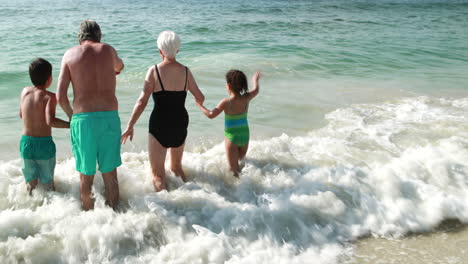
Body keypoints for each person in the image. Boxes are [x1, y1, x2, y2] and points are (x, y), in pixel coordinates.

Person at [121, 30, 205, 191]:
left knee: (158, 175)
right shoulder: (186, 71)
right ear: (178, 50)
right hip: (180, 122)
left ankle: (167, 208)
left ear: (160, 51)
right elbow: (200, 97)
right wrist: (198, 102)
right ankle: (190, 200)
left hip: (160, 124)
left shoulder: (154, 71)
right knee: (177, 168)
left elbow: (142, 101)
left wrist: (130, 125)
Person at [56, 20, 124, 210]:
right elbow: (120, 67)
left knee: (86, 177)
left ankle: (89, 220)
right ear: (99, 36)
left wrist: (72, 116)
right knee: (111, 175)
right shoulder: (109, 50)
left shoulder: (70, 55)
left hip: (83, 120)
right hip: (109, 116)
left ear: (80, 38)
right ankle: (117, 219)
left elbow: (61, 97)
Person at [19, 58, 70, 195]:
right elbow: (50, 121)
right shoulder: (50, 97)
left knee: (31, 181)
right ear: (49, 79)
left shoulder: (24, 92)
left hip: (26, 143)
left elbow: (21, 114)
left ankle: (32, 207)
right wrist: (70, 125)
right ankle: (50, 208)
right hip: (44, 145)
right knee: (48, 182)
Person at [196, 70, 260, 176]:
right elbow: (256, 90)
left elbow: (211, 115)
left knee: (234, 172)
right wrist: (255, 80)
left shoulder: (226, 102)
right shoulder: (246, 98)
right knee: (240, 165)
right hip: (245, 136)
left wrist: (199, 105)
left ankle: (240, 190)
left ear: (229, 86)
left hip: (232, 138)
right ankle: (248, 187)